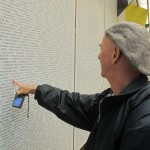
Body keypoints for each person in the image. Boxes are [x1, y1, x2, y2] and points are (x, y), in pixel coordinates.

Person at [13, 22, 150, 150]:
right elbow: (75, 104)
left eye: (101, 49)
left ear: (115, 54)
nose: (98, 56)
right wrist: (37, 90)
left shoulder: (142, 127)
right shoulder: (115, 98)